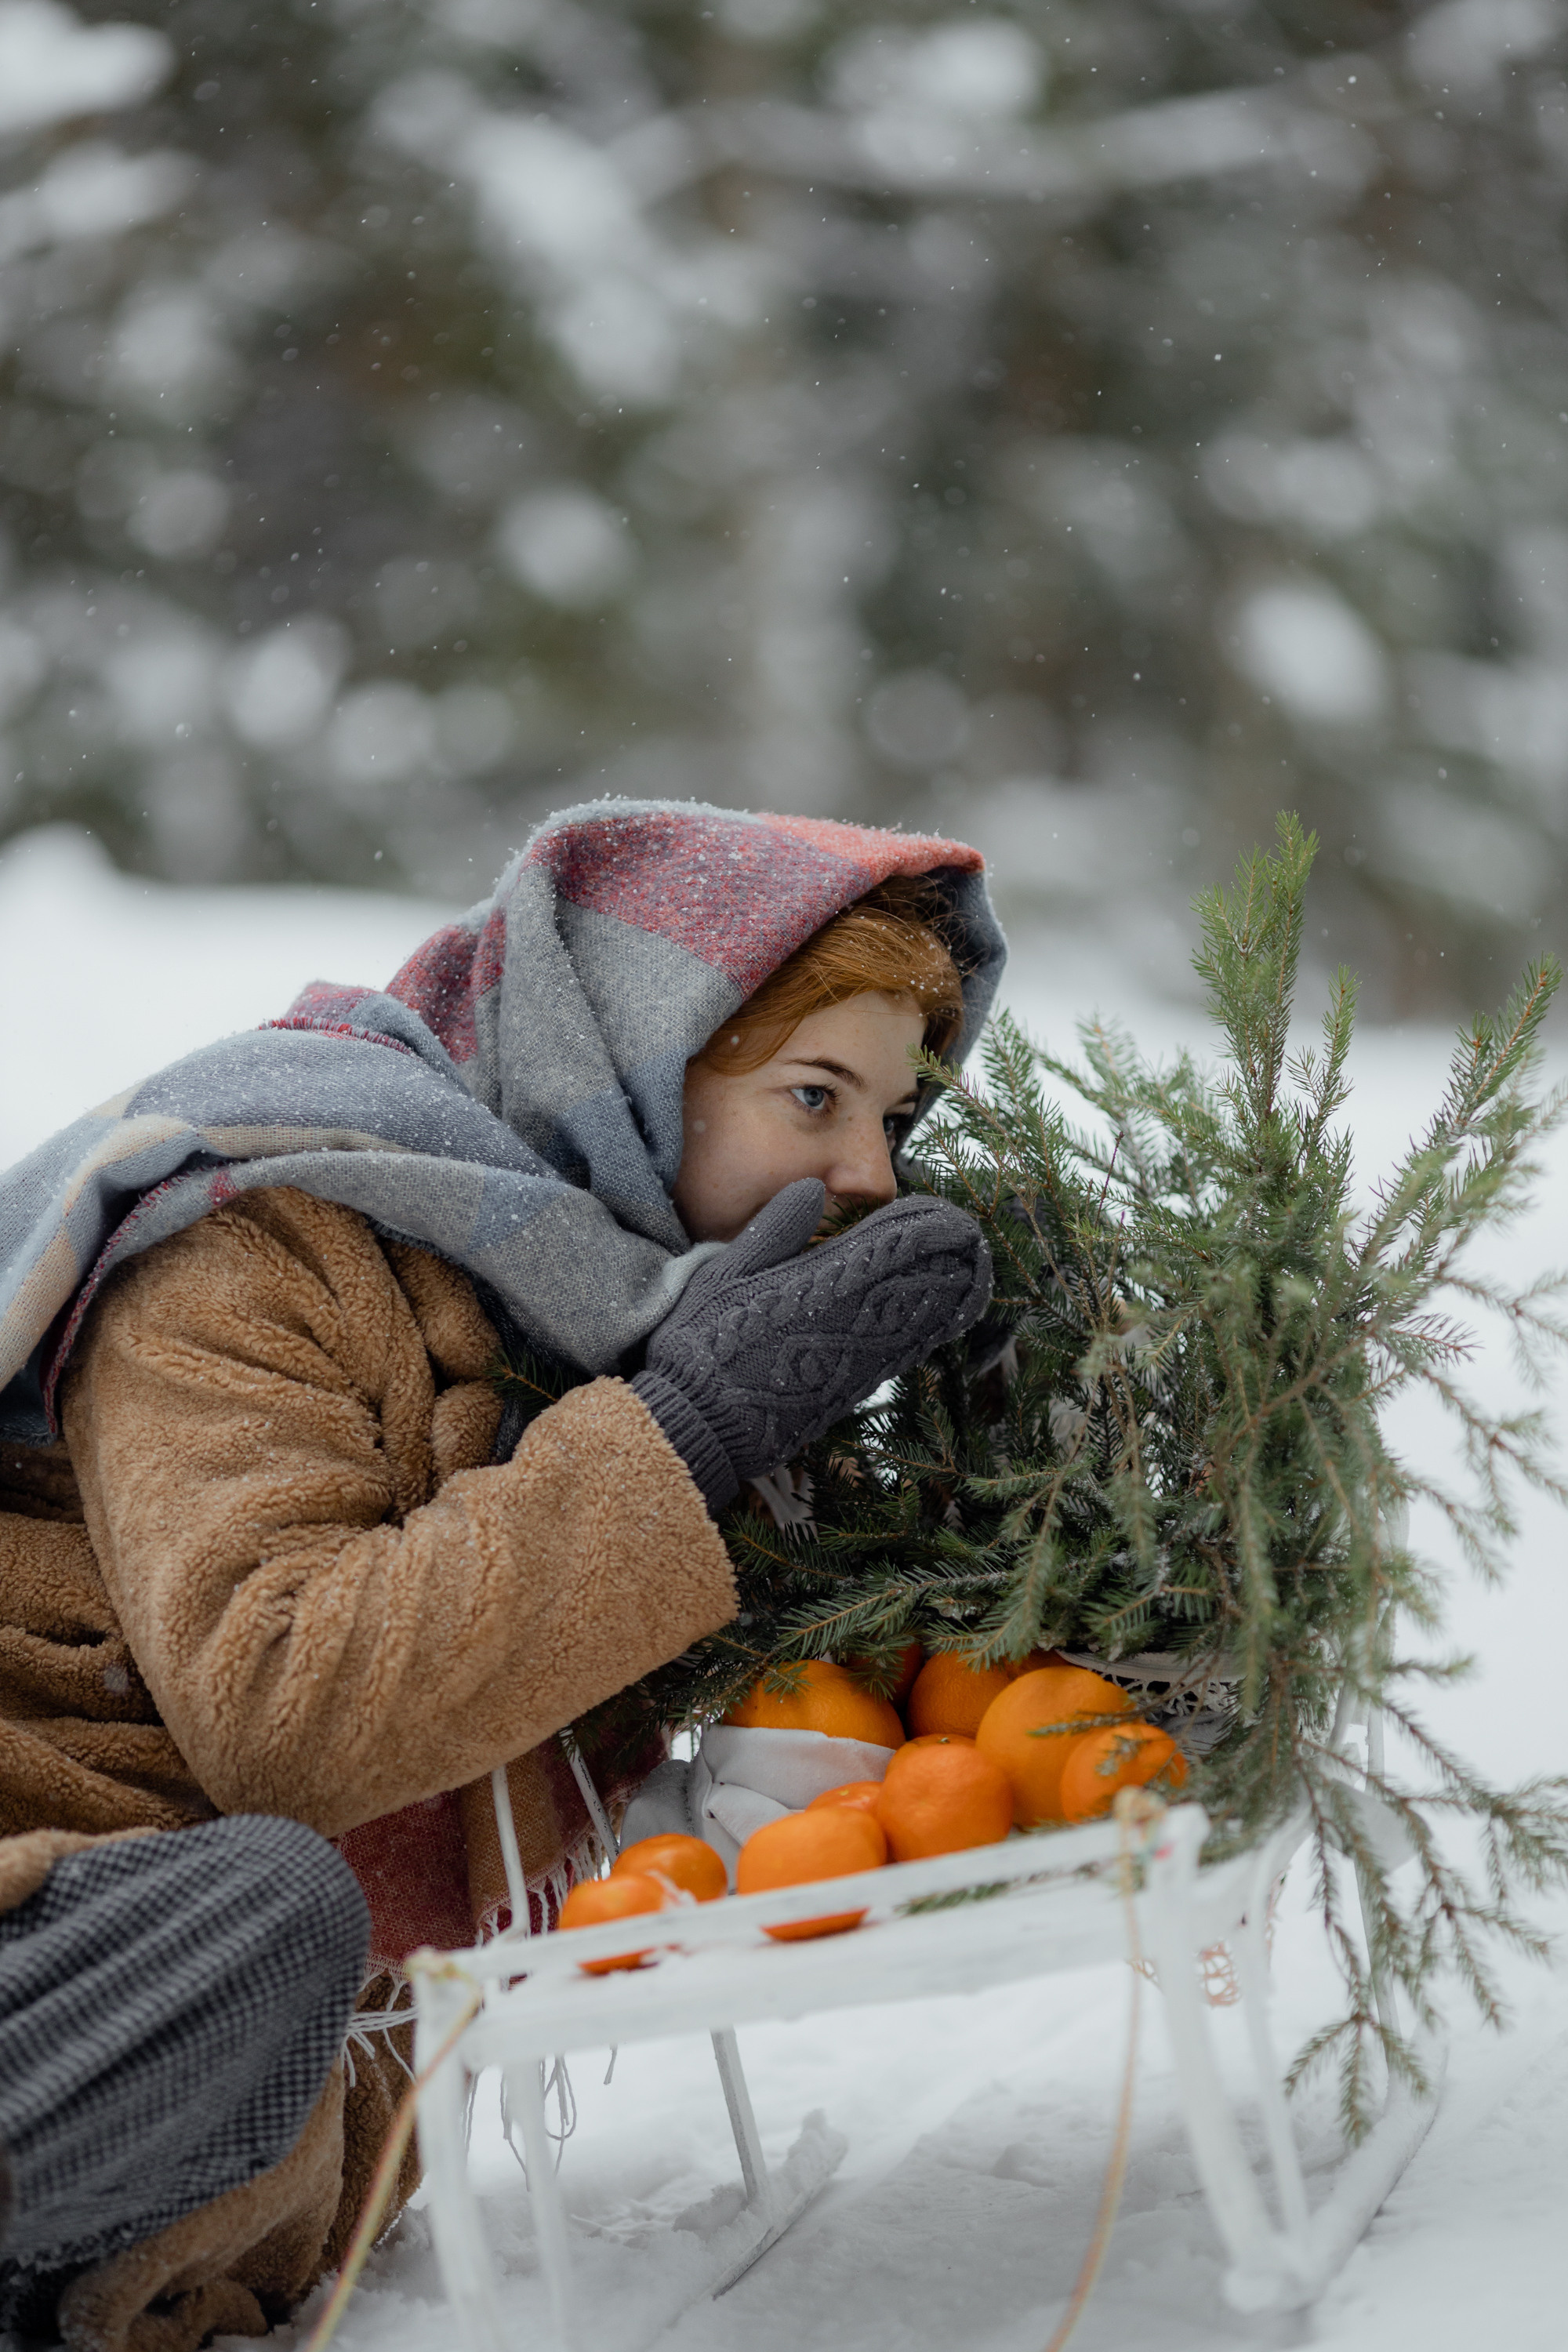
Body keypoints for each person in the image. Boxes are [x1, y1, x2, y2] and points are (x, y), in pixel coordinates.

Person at [0, 800, 1004, 2349]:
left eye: (894, 1118)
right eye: (816, 1097)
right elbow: (286, 1702)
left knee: (273, 1957)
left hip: (183, 2102)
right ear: (632, 1078)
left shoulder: (572, 1328)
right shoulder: (253, 1239)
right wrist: (691, 1433)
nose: (867, 1170)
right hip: (57, 1949)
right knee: (260, 1920)